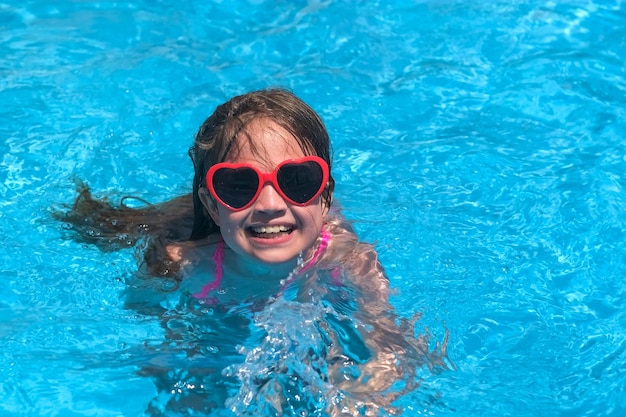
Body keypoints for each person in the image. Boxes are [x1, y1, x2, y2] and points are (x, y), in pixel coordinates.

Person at [56, 88, 448, 415]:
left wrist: (366, 394)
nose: (270, 203)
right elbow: (157, 342)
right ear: (211, 205)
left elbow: (390, 344)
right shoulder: (184, 265)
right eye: (240, 185)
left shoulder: (344, 255)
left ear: (325, 197)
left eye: (297, 179)